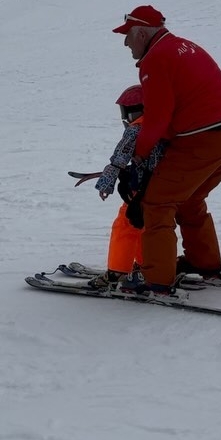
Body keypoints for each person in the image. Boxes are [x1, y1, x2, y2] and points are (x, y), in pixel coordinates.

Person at [111, 5, 221, 296]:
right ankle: (205, 263)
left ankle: (157, 280)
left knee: (157, 203)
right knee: (190, 198)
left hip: (203, 137)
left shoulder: (156, 58)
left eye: (127, 36)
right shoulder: (186, 46)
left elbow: (157, 117)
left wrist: (140, 153)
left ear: (141, 33)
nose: (125, 43)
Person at [88, 85, 145, 290]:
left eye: (127, 112)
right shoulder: (165, 124)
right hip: (163, 187)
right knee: (146, 226)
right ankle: (146, 267)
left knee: (126, 224)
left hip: (140, 188)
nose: (126, 118)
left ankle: (117, 272)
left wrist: (107, 183)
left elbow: (119, 159)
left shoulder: (136, 128)